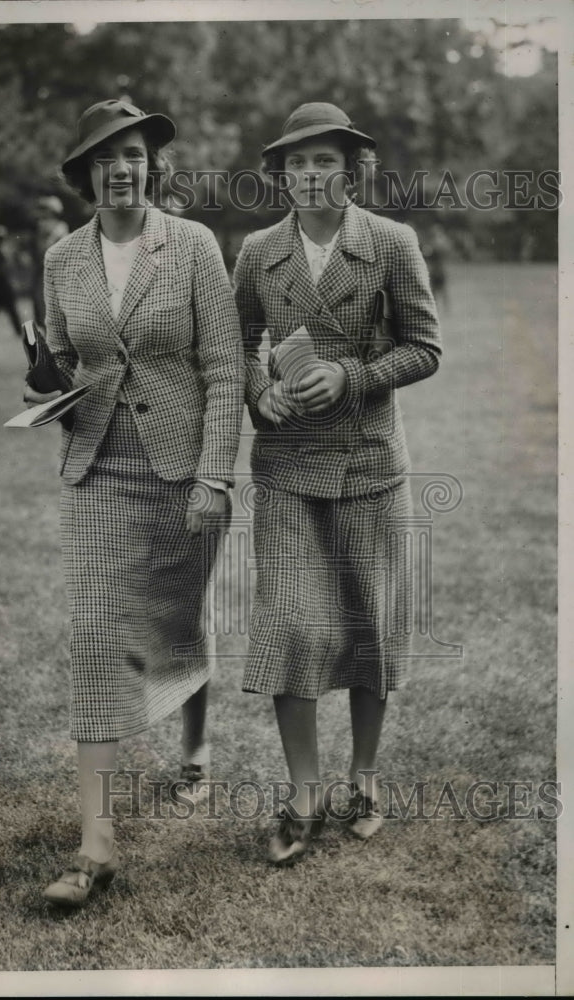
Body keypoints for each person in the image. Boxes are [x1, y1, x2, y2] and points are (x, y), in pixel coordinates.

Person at [23, 99, 244, 906]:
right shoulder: (60, 260)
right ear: (83, 172)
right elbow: (58, 355)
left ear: (153, 165)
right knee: (95, 637)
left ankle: (196, 747)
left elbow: (224, 370)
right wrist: (44, 382)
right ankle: (96, 843)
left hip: (181, 468)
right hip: (95, 469)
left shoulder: (190, 247)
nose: (122, 166)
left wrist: (214, 477)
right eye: (106, 155)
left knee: (177, 622)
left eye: (135, 153)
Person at [233, 102, 441, 863]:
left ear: (350, 170)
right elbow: (238, 344)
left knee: (367, 628)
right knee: (292, 624)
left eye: (325, 162)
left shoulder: (390, 243)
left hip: (369, 467)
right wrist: (261, 391)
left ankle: (363, 778)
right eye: (297, 164)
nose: (310, 175)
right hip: (286, 467)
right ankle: (302, 793)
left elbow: (424, 347)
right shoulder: (257, 251)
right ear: (280, 175)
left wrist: (350, 376)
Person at [30, 195, 69, 326]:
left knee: (48, 308)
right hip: (42, 269)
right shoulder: (42, 226)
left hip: (53, 271)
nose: (42, 213)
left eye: (45, 209)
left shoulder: (60, 228)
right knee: (40, 307)